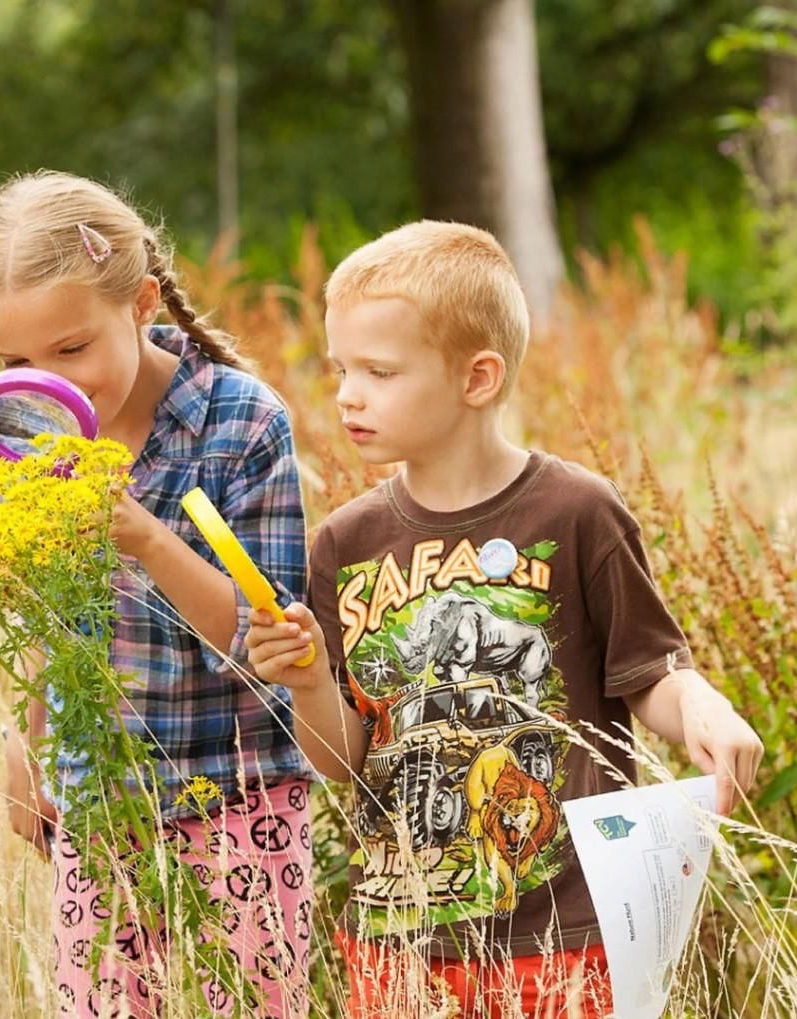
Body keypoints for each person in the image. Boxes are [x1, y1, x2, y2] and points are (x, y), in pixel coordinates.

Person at [244, 221, 764, 1018]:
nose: (347, 393)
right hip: (400, 939)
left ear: (477, 377)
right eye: (340, 368)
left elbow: (650, 672)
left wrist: (702, 703)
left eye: (379, 371)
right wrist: (310, 679)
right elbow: (342, 761)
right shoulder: (345, 542)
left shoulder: (577, 511)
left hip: (567, 932)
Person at [0, 171, 317, 1017]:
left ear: (142, 302)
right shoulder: (23, 431)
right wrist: (28, 735)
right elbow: (48, 600)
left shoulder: (242, 423)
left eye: (72, 349)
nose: (52, 384)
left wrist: (148, 539)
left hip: (239, 790)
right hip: (101, 801)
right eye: (14, 361)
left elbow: (263, 643)